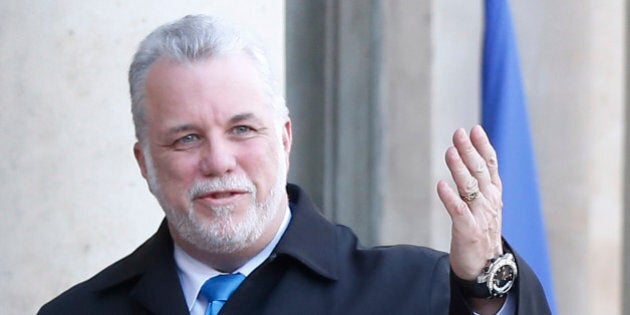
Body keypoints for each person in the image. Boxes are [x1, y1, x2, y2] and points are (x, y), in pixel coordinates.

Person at [38, 15, 551, 315]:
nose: (218, 161)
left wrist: (483, 283)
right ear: (144, 163)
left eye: (242, 130)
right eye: (186, 138)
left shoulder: (415, 293)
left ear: (285, 139)